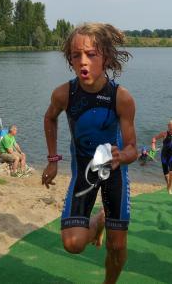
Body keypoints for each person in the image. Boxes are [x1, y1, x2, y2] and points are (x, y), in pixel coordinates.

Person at [42, 23, 137, 284]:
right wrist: (52, 160)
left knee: (116, 246)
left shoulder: (121, 98)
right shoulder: (64, 94)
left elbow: (132, 148)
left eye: (91, 54)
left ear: (105, 57)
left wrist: (122, 156)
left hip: (114, 174)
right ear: (70, 60)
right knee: (72, 243)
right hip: (84, 173)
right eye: (76, 55)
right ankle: (98, 222)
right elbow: (49, 118)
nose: (83, 61)